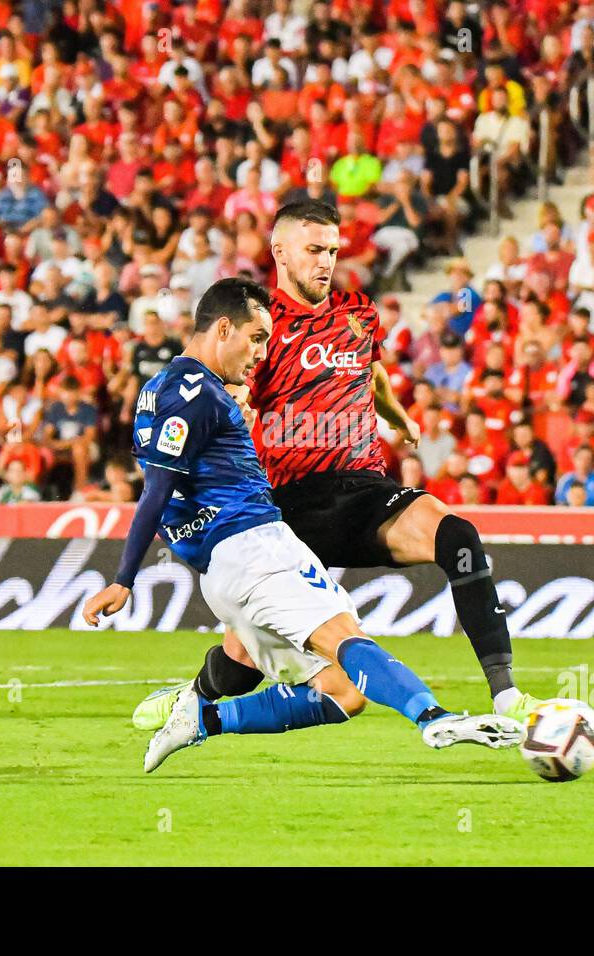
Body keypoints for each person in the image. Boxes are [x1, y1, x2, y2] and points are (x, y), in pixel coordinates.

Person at [131, 201, 541, 733]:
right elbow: (230, 384)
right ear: (279, 252)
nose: (325, 262)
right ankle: (192, 699)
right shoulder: (261, 324)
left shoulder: (357, 312)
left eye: (331, 251)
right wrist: (240, 404)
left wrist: (397, 416)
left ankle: (506, 695)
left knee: (457, 535)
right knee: (245, 658)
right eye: (313, 251)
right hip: (287, 507)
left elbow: (371, 374)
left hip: (364, 489)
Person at [82, 278, 522, 772]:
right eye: (255, 338)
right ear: (223, 328)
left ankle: (202, 719)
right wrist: (123, 580)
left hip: (223, 571)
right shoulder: (197, 394)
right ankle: (434, 718)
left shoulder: (157, 391)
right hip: (255, 549)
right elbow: (156, 493)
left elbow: (175, 488)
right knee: (345, 636)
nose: (260, 353)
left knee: (342, 692)